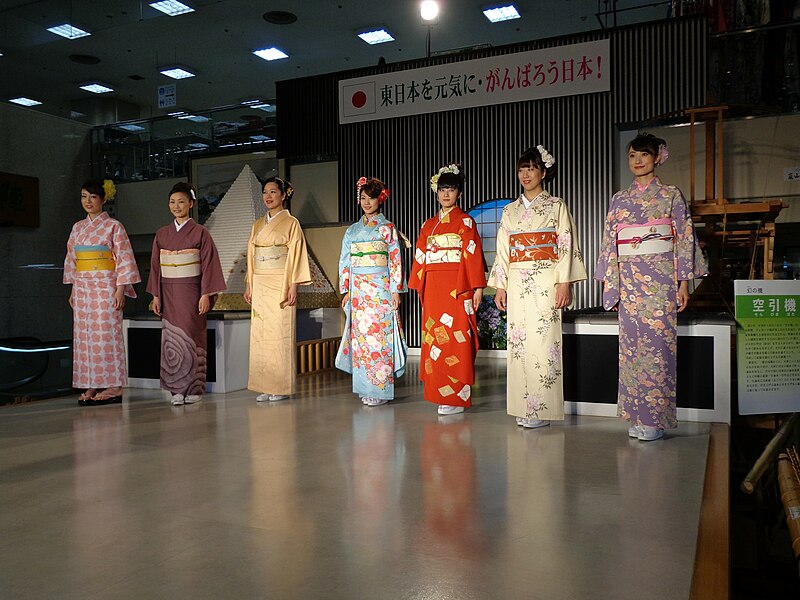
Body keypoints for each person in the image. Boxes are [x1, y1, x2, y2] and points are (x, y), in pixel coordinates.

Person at [596, 133, 707, 441]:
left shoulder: (671, 195)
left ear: (658, 156)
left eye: (644, 155)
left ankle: (655, 418)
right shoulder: (620, 199)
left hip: (660, 281)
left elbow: (684, 239)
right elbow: (610, 244)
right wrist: (612, 285)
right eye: (632, 156)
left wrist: (684, 282)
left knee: (658, 349)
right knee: (631, 350)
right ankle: (635, 414)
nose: (638, 161)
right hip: (630, 279)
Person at [488, 146, 587, 428]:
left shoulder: (556, 206)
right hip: (518, 280)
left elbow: (566, 244)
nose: (525, 174)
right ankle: (523, 405)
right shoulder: (510, 210)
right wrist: (501, 286)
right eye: (521, 169)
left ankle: (541, 408)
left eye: (531, 168)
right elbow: (503, 250)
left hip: (546, 279)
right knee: (518, 343)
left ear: (544, 172)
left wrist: (564, 282)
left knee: (544, 342)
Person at [408, 164, 487, 415]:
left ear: (459, 194)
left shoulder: (466, 222)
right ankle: (438, 393)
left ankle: (457, 396)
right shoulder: (428, 225)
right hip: (434, 288)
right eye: (442, 190)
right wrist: (420, 286)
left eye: (451, 190)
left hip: (458, 286)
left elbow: (472, 256)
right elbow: (421, 257)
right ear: (437, 192)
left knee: (457, 338)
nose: (446, 195)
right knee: (434, 339)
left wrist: (476, 288)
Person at [146, 182, 226, 406]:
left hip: (192, 291)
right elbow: (155, 266)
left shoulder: (201, 233)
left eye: (181, 201)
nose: (176, 206)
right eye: (172, 202)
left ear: (190, 204)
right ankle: (175, 390)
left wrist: (205, 294)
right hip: (168, 292)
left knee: (192, 336)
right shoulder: (162, 234)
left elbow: (209, 265)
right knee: (171, 339)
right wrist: (156, 295)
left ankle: (194, 388)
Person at [63, 179, 141, 406]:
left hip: (106, 285)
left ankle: (114, 386)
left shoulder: (114, 226)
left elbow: (124, 258)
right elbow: (72, 259)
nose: (87, 201)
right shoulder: (78, 227)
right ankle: (92, 382)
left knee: (107, 334)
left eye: (93, 197)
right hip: (84, 287)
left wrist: (120, 289)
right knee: (84, 337)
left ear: (103, 199)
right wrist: (73, 288)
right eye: (83, 196)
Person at [335, 177, 407, 406]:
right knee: (361, 341)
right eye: (363, 198)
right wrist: (346, 289)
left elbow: (395, 260)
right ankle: (365, 387)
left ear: (380, 199)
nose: (367, 203)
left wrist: (396, 290)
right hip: (359, 290)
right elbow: (344, 261)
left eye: (372, 198)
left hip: (380, 288)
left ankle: (381, 389)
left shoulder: (387, 228)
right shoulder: (352, 231)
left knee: (379, 338)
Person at [244, 176, 311, 402]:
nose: (268, 197)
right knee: (260, 335)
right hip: (261, 282)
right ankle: (264, 384)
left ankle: (280, 386)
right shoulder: (257, 225)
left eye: (273, 192)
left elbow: (297, 254)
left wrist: (294, 285)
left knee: (280, 334)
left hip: (280, 281)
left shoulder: (292, 223)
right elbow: (252, 257)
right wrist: (249, 284)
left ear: (284, 195)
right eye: (265, 192)